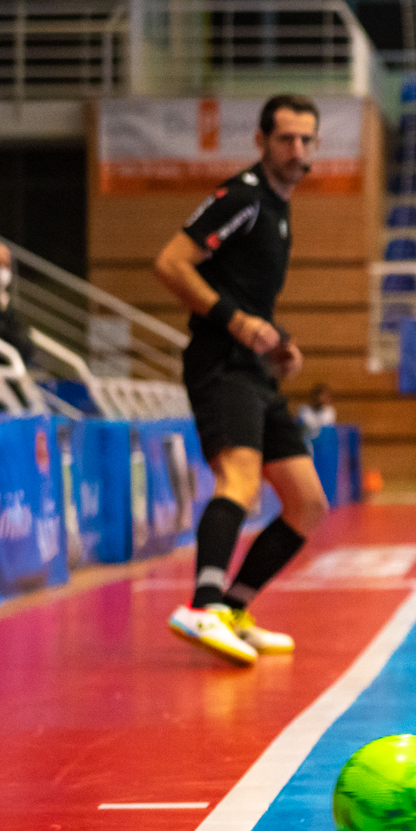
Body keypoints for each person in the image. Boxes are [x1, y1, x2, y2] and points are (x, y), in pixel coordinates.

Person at [151, 95, 331, 667]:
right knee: (241, 479)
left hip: (254, 367)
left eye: (306, 140)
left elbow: (248, 296)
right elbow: (172, 263)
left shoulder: (279, 211)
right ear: (261, 141)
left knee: (307, 503)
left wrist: (275, 342)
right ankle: (201, 604)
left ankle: (233, 607)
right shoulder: (244, 198)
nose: (296, 150)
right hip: (219, 361)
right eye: (285, 139)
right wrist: (237, 323)